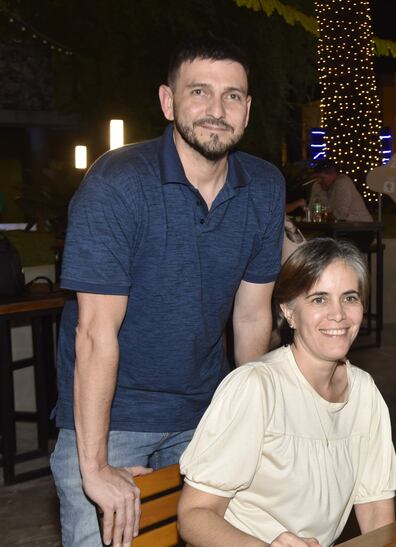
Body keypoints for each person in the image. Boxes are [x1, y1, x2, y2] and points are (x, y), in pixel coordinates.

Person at [51, 36, 285, 546]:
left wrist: (251, 424)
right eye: (199, 92)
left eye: (233, 96)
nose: (216, 111)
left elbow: (250, 318)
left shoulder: (264, 187)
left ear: (248, 110)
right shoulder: (118, 183)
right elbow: (95, 333)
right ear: (167, 101)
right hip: (113, 417)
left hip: (205, 413)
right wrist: (94, 467)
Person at [177, 238, 396, 546]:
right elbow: (194, 515)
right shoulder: (256, 388)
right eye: (319, 299)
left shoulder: (364, 393)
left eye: (350, 298)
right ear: (289, 312)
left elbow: (376, 509)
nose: (338, 315)